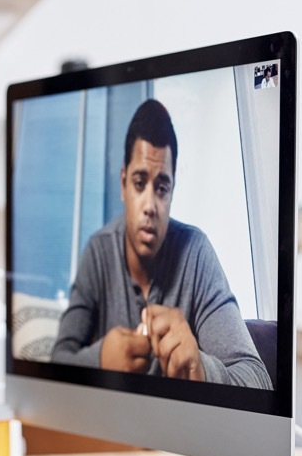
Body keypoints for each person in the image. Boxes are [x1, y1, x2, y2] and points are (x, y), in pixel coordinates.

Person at [50, 99, 272, 389]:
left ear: (172, 193)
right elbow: (56, 363)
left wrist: (201, 368)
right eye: (140, 183)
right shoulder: (98, 252)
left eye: (162, 188)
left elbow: (259, 379)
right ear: (123, 184)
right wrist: (101, 359)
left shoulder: (196, 253)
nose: (150, 206)